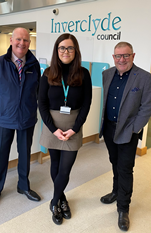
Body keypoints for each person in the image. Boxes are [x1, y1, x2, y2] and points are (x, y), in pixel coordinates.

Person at [99, 42, 151, 231]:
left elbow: (147, 107)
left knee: (125, 168)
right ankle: (116, 191)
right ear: (113, 57)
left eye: (126, 55)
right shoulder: (107, 74)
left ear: (133, 56)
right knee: (114, 162)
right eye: (118, 56)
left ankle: (123, 208)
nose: (121, 59)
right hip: (109, 129)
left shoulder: (144, 78)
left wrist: (134, 129)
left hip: (128, 131)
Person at [0, 27, 41, 212]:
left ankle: (23, 186)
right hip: (4, 119)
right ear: (11, 40)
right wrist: (4, 107)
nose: (21, 43)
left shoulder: (34, 65)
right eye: (18, 39)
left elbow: (37, 91)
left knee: (24, 154)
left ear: (29, 43)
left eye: (25, 40)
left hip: (27, 118)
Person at [38, 33, 92, 225]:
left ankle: (54, 201)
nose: (66, 51)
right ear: (57, 50)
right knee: (55, 164)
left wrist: (75, 129)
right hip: (52, 126)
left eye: (70, 48)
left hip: (72, 128)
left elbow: (86, 104)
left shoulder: (83, 73)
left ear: (75, 50)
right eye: (62, 48)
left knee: (65, 169)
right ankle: (62, 199)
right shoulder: (48, 73)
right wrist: (53, 129)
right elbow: (42, 103)